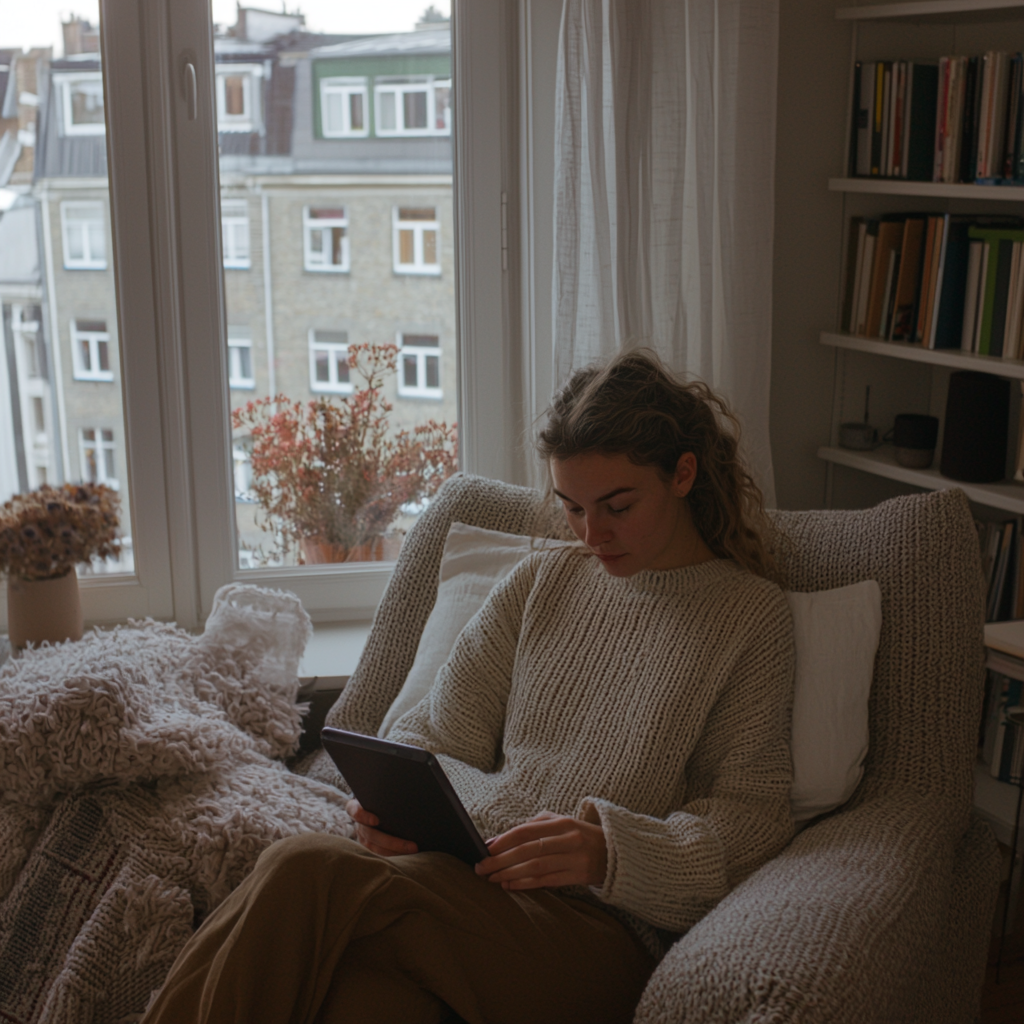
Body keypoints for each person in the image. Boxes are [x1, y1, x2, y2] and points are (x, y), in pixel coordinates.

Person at [141, 350, 796, 1024]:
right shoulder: (542, 582)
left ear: (682, 473)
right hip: (465, 893)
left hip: (597, 935)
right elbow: (427, 737)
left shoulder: (750, 616)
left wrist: (609, 850)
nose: (591, 533)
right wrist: (396, 815)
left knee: (305, 864)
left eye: (617, 506)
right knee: (354, 1002)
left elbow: (749, 820)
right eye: (571, 507)